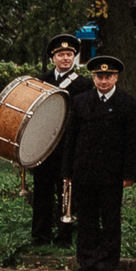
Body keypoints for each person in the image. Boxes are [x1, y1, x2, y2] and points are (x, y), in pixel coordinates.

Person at [66, 55, 136, 271]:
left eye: (108, 76)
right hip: (85, 169)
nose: (103, 81)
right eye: (99, 76)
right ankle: (87, 261)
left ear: (116, 78)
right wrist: (68, 171)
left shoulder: (128, 103)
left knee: (110, 219)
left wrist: (130, 174)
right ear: (94, 78)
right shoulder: (81, 101)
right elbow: (71, 137)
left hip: (112, 172)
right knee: (87, 218)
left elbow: (132, 142)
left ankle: (107, 262)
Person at [26, 34, 91, 248]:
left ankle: (64, 235)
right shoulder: (40, 81)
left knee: (67, 191)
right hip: (43, 146)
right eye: (61, 54)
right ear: (53, 57)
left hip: (67, 146)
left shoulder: (83, 84)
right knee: (42, 191)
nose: (65, 58)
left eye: (69, 54)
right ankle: (40, 235)